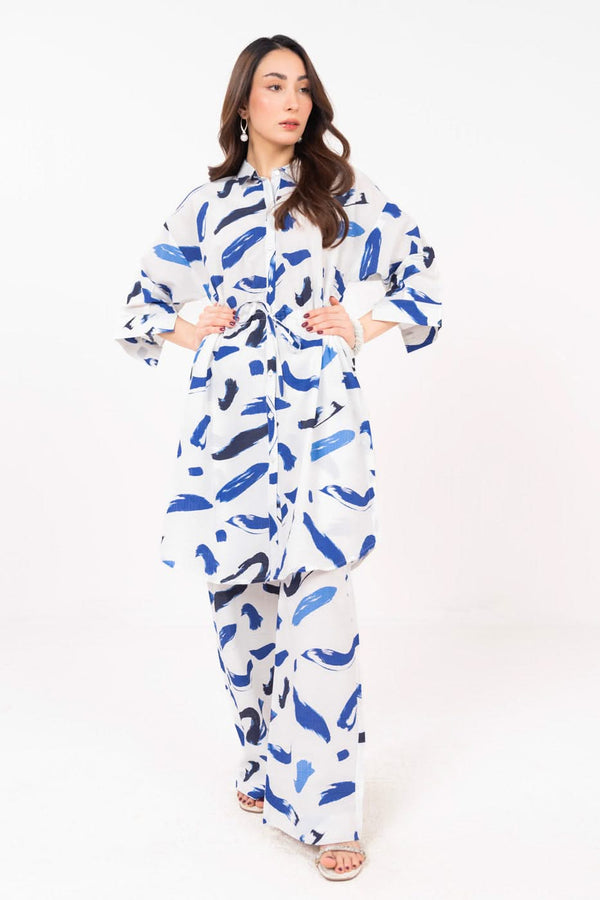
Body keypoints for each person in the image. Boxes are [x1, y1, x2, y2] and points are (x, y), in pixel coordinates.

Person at [114, 34, 442, 881]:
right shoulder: (203, 206)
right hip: (228, 433)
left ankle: (331, 812)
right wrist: (190, 329)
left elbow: (418, 274)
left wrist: (357, 326)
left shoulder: (337, 194)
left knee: (322, 607)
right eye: (274, 86)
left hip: (319, 421)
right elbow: (140, 302)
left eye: (303, 88)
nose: (293, 101)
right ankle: (262, 759)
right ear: (243, 103)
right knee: (240, 613)